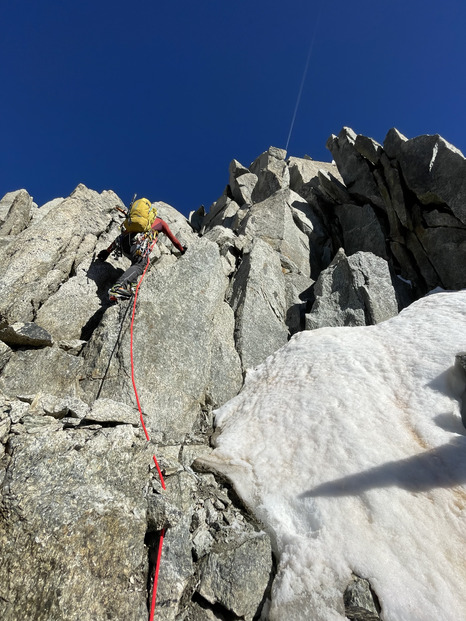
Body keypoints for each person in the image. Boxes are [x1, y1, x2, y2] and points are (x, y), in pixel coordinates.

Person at [97, 199, 187, 301]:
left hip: (124, 244)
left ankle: (132, 286)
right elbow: (174, 240)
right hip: (138, 244)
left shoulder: (135, 223)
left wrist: (107, 251)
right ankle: (118, 287)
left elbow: (122, 235)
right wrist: (182, 249)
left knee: (135, 262)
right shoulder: (160, 222)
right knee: (140, 264)